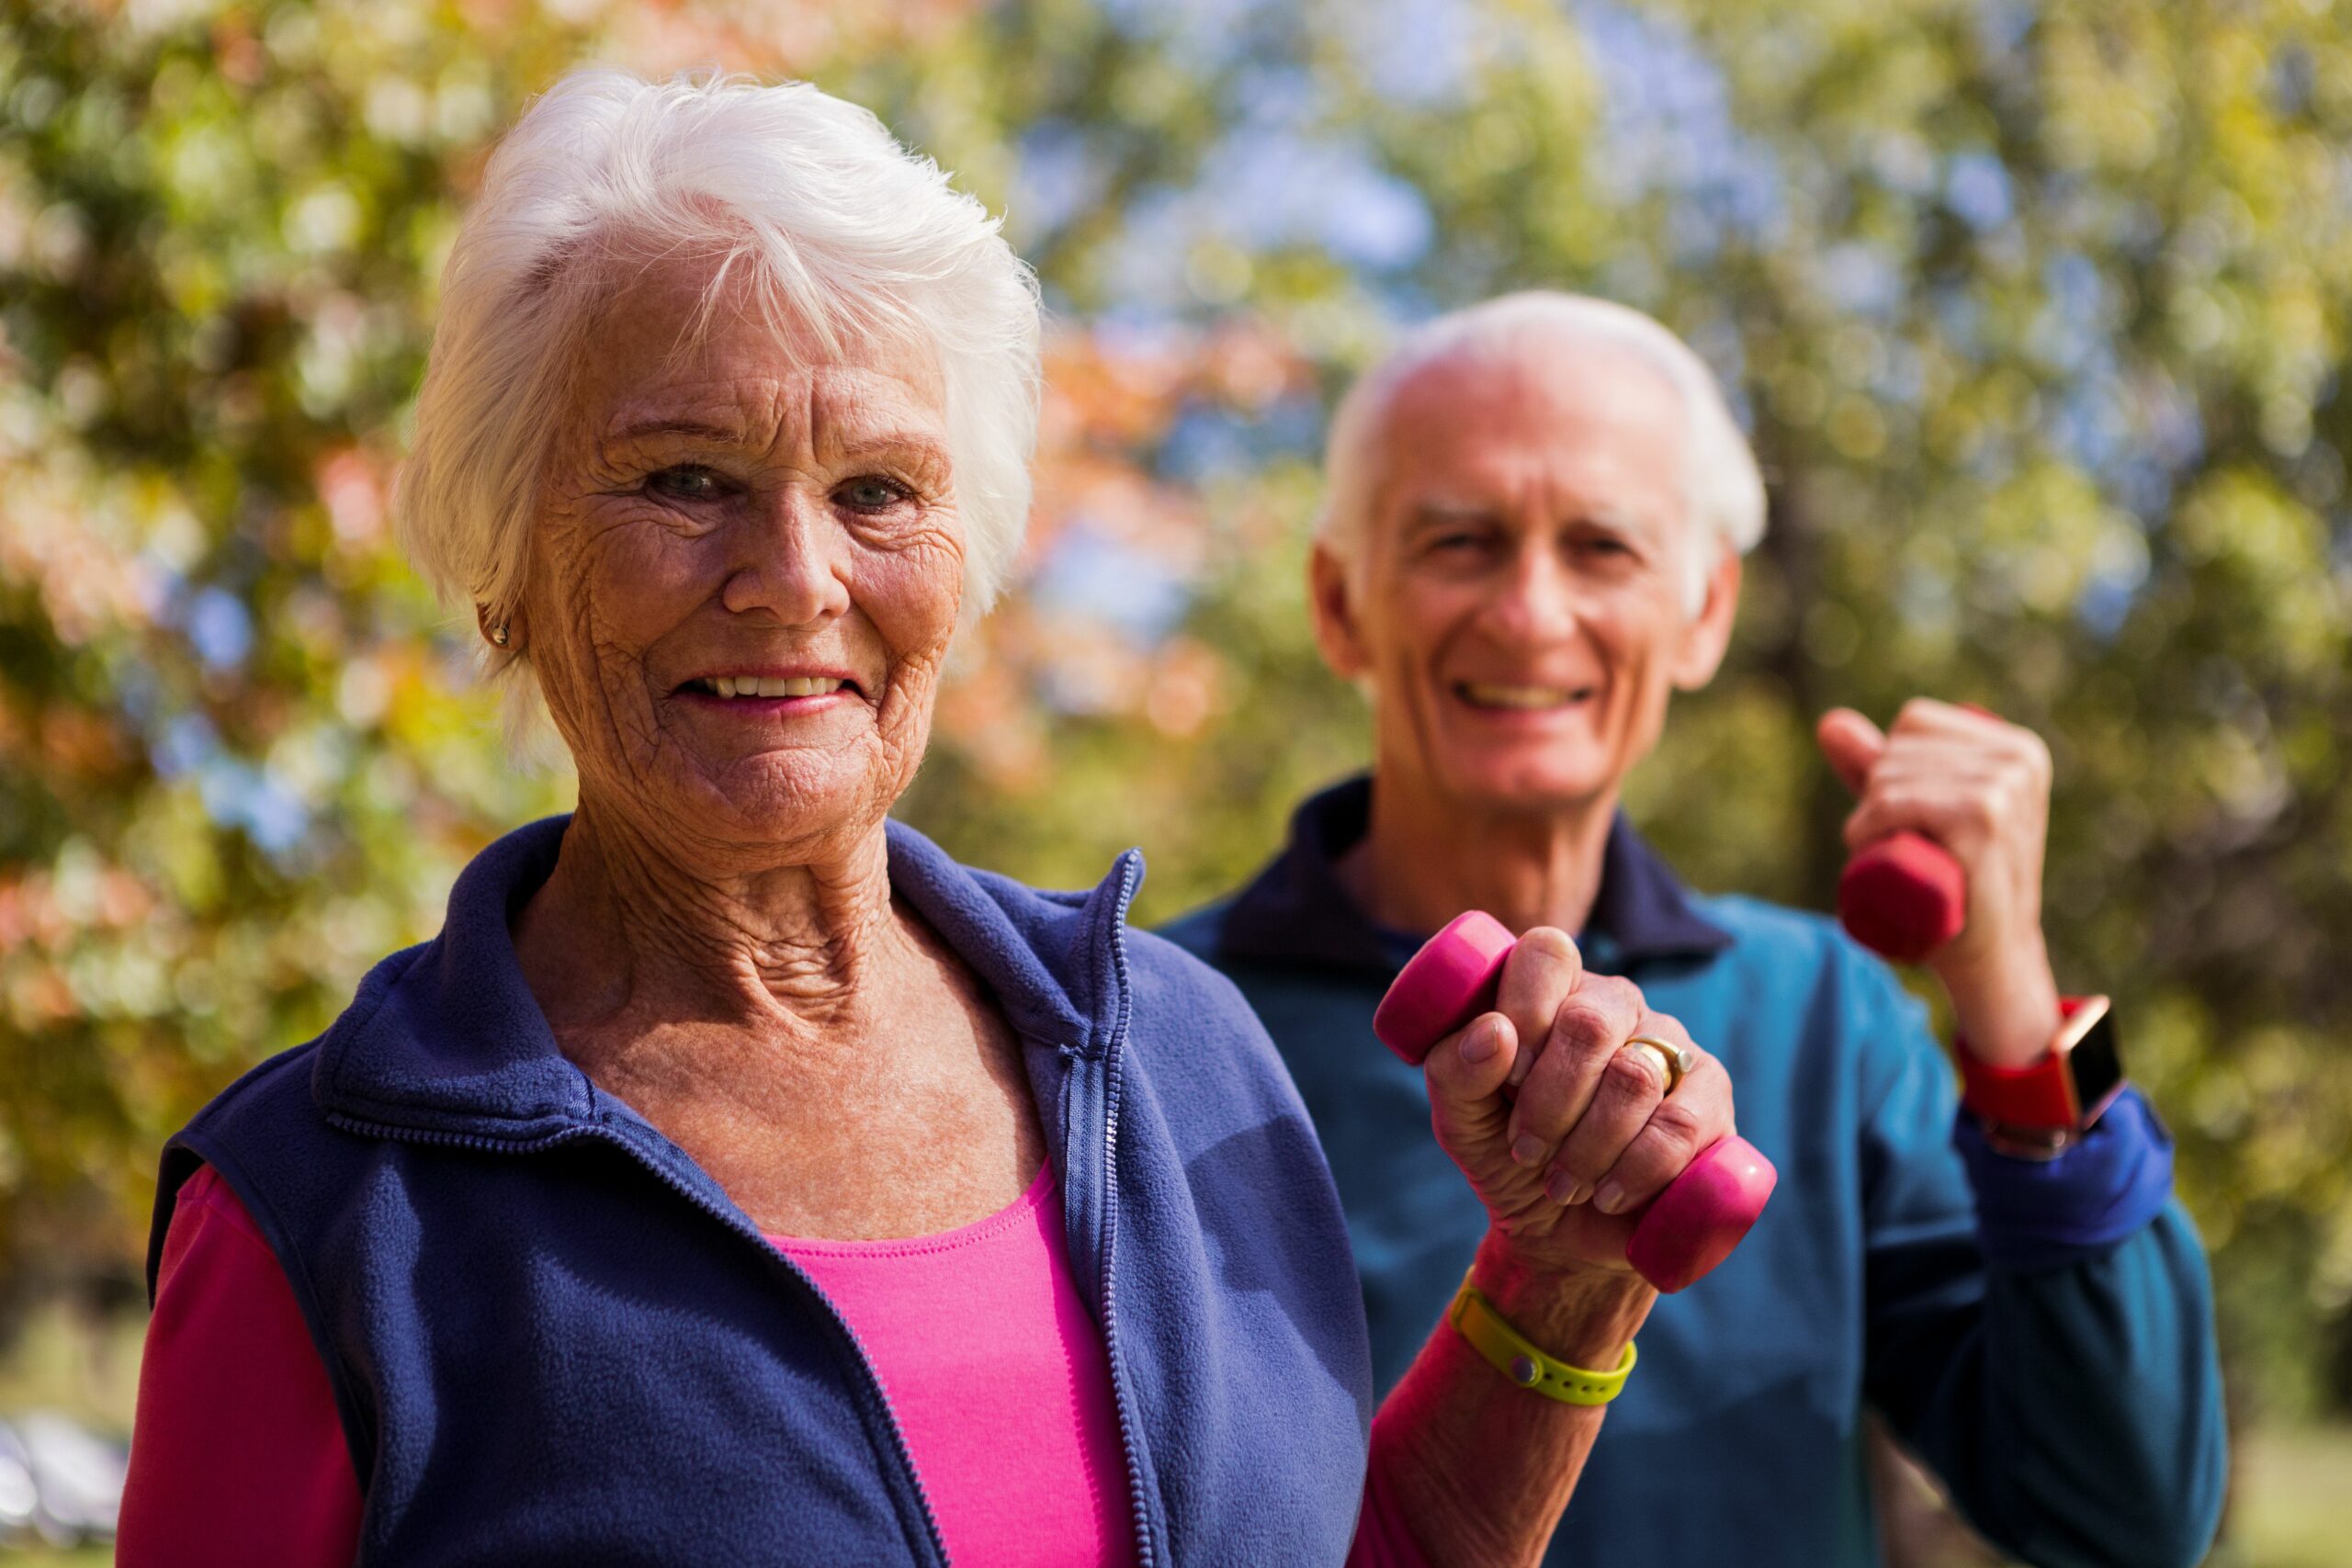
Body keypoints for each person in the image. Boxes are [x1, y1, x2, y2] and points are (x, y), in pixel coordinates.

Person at [116, 76, 1752, 1568]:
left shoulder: (1175, 1056)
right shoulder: (323, 1209)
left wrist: (1561, 1289)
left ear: (964, 566)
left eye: (880, 491)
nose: (795, 580)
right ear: (502, 567)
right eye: (683, 479)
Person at [1164, 292, 2228, 1568]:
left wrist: (2022, 997)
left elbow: (2131, 1512)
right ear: (1340, 604)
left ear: (1705, 612)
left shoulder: (1824, 1010)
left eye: (1602, 548)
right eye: (1460, 542)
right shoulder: (1155, 1024)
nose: (1530, 613)